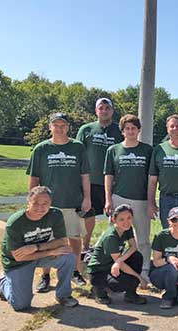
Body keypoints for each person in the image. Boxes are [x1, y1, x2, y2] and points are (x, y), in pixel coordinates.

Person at [27, 112, 91, 292]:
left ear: (68, 127)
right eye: (56, 124)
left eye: (63, 125)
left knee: (74, 239)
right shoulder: (41, 149)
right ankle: (45, 275)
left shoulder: (77, 147)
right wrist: (32, 201)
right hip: (47, 205)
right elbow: (34, 178)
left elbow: (85, 175)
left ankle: (76, 271)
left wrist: (87, 198)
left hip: (73, 201)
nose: (59, 128)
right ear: (50, 127)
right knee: (48, 239)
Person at [0, 186, 79, 311]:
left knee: (68, 257)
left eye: (45, 203)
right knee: (20, 305)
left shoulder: (55, 214)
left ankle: (63, 295)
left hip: (41, 253)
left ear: (50, 203)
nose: (40, 208)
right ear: (28, 202)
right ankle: (3, 280)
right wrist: (50, 250)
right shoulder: (15, 222)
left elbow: (62, 241)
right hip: (18, 262)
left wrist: (37, 247)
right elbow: (18, 257)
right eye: (36, 203)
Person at [104, 114, 154, 278]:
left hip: (141, 199)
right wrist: (108, 198)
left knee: (142, 237)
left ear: (138, 130)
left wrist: (151, 201)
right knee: (114, 236)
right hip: (119, 197)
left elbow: (152, 177)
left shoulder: (147, 150)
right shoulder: (113, 150)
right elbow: (108, 175)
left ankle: (144, 269)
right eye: (127, 128)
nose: (130, 131)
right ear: (122, 131)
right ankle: (112, 269)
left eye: (133, 128)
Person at [76, 98, 123, 259]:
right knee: (88, 214)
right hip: (89, 181)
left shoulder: (119, 131)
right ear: (96, 111)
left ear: (112, 110)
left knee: (115, 216)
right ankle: (85, 246)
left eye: (107, 108)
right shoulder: (86, 129)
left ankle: (112, 246)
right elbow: (78, 154)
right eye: (101, 108)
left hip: (113, 182)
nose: (104, 111)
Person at [87, 204, 148, 305]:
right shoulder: (111, 237)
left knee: (137, 256)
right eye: (121, 219)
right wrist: (140, 278)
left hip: (113, 264)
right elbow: (121, 265)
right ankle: (98, 290)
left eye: (129, 218)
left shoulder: (127, 228)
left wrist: (119, 261)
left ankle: (130, 294)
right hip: (99, 270)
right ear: (114, 220)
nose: (126, 222)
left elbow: (133, 247)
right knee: (124, 282)